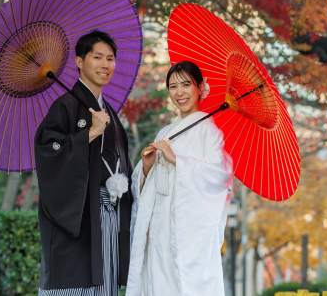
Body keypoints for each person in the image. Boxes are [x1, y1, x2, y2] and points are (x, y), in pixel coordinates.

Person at [34, 30, 134, 296]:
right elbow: (48, 154)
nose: (105, 65)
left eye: (110, 59)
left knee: (106, 283)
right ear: (80, 62)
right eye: (97, 57)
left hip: (108, 218)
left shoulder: (106, 111)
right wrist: (89, 133)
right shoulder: (64, 107)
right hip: (78, 219)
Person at [126, 61, 234, 296]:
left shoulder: (210, 131)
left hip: (188, 231)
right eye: (173, 87)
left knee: (186, 285)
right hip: (159, 227)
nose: (180, 92)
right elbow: (149, 183)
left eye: (186, 85)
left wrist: (177, 160)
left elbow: (218, 176)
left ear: (200, 88)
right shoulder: (165, 132)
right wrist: (147, 167)